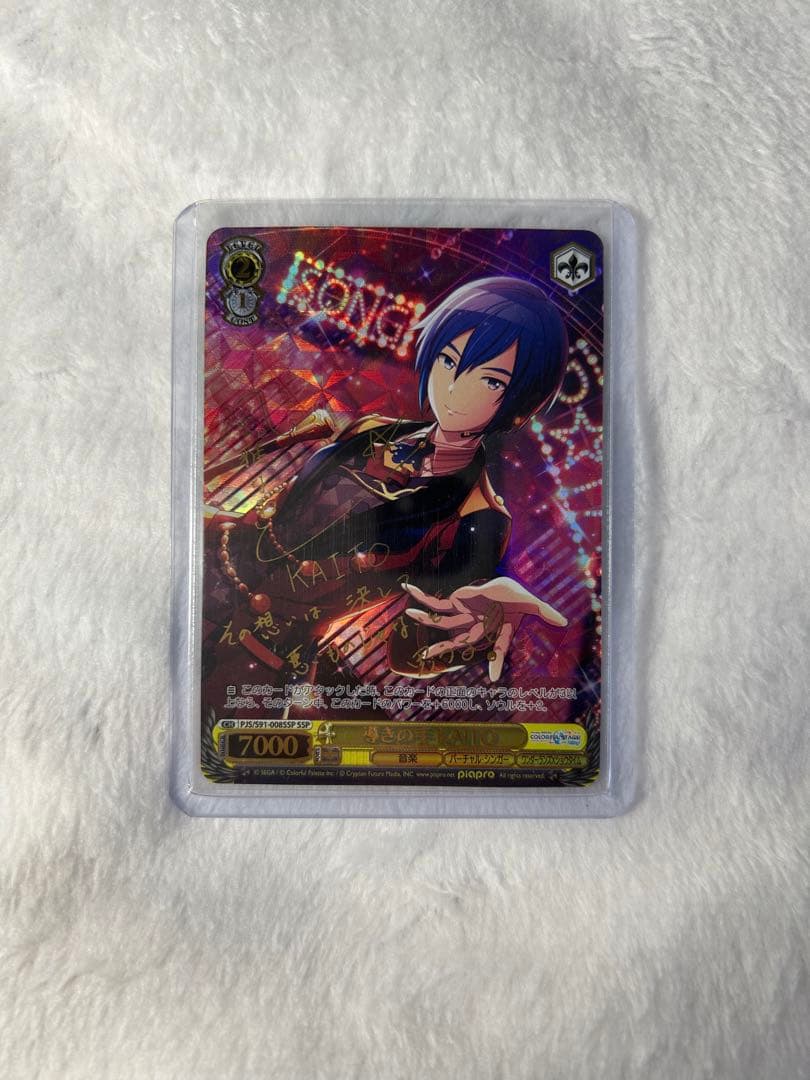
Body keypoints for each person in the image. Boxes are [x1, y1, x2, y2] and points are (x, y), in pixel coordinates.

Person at [204, 276, 569, 688]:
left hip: (258, 661)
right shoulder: (371, 428)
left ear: (522, 401)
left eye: (490, 381)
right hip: (206, 580)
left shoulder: (480, 516)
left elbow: (410, 653)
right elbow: (271, 523)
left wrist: (481, 627)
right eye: (448, 360)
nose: (454, 389)